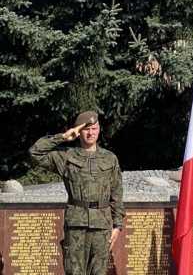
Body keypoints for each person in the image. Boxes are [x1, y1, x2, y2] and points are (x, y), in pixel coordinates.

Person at [29, 111, 125, 275]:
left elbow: (116, 193)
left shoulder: (110, 158)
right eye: (86, 129)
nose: (90, 133)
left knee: (99, 272)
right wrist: (63, 137)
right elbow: (35, 152)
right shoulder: (67, 156)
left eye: (94, 128)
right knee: (74, 271)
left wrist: (117, 225)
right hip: (75, 225)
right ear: (78, 131)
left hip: (102, 225)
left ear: (99, 129)